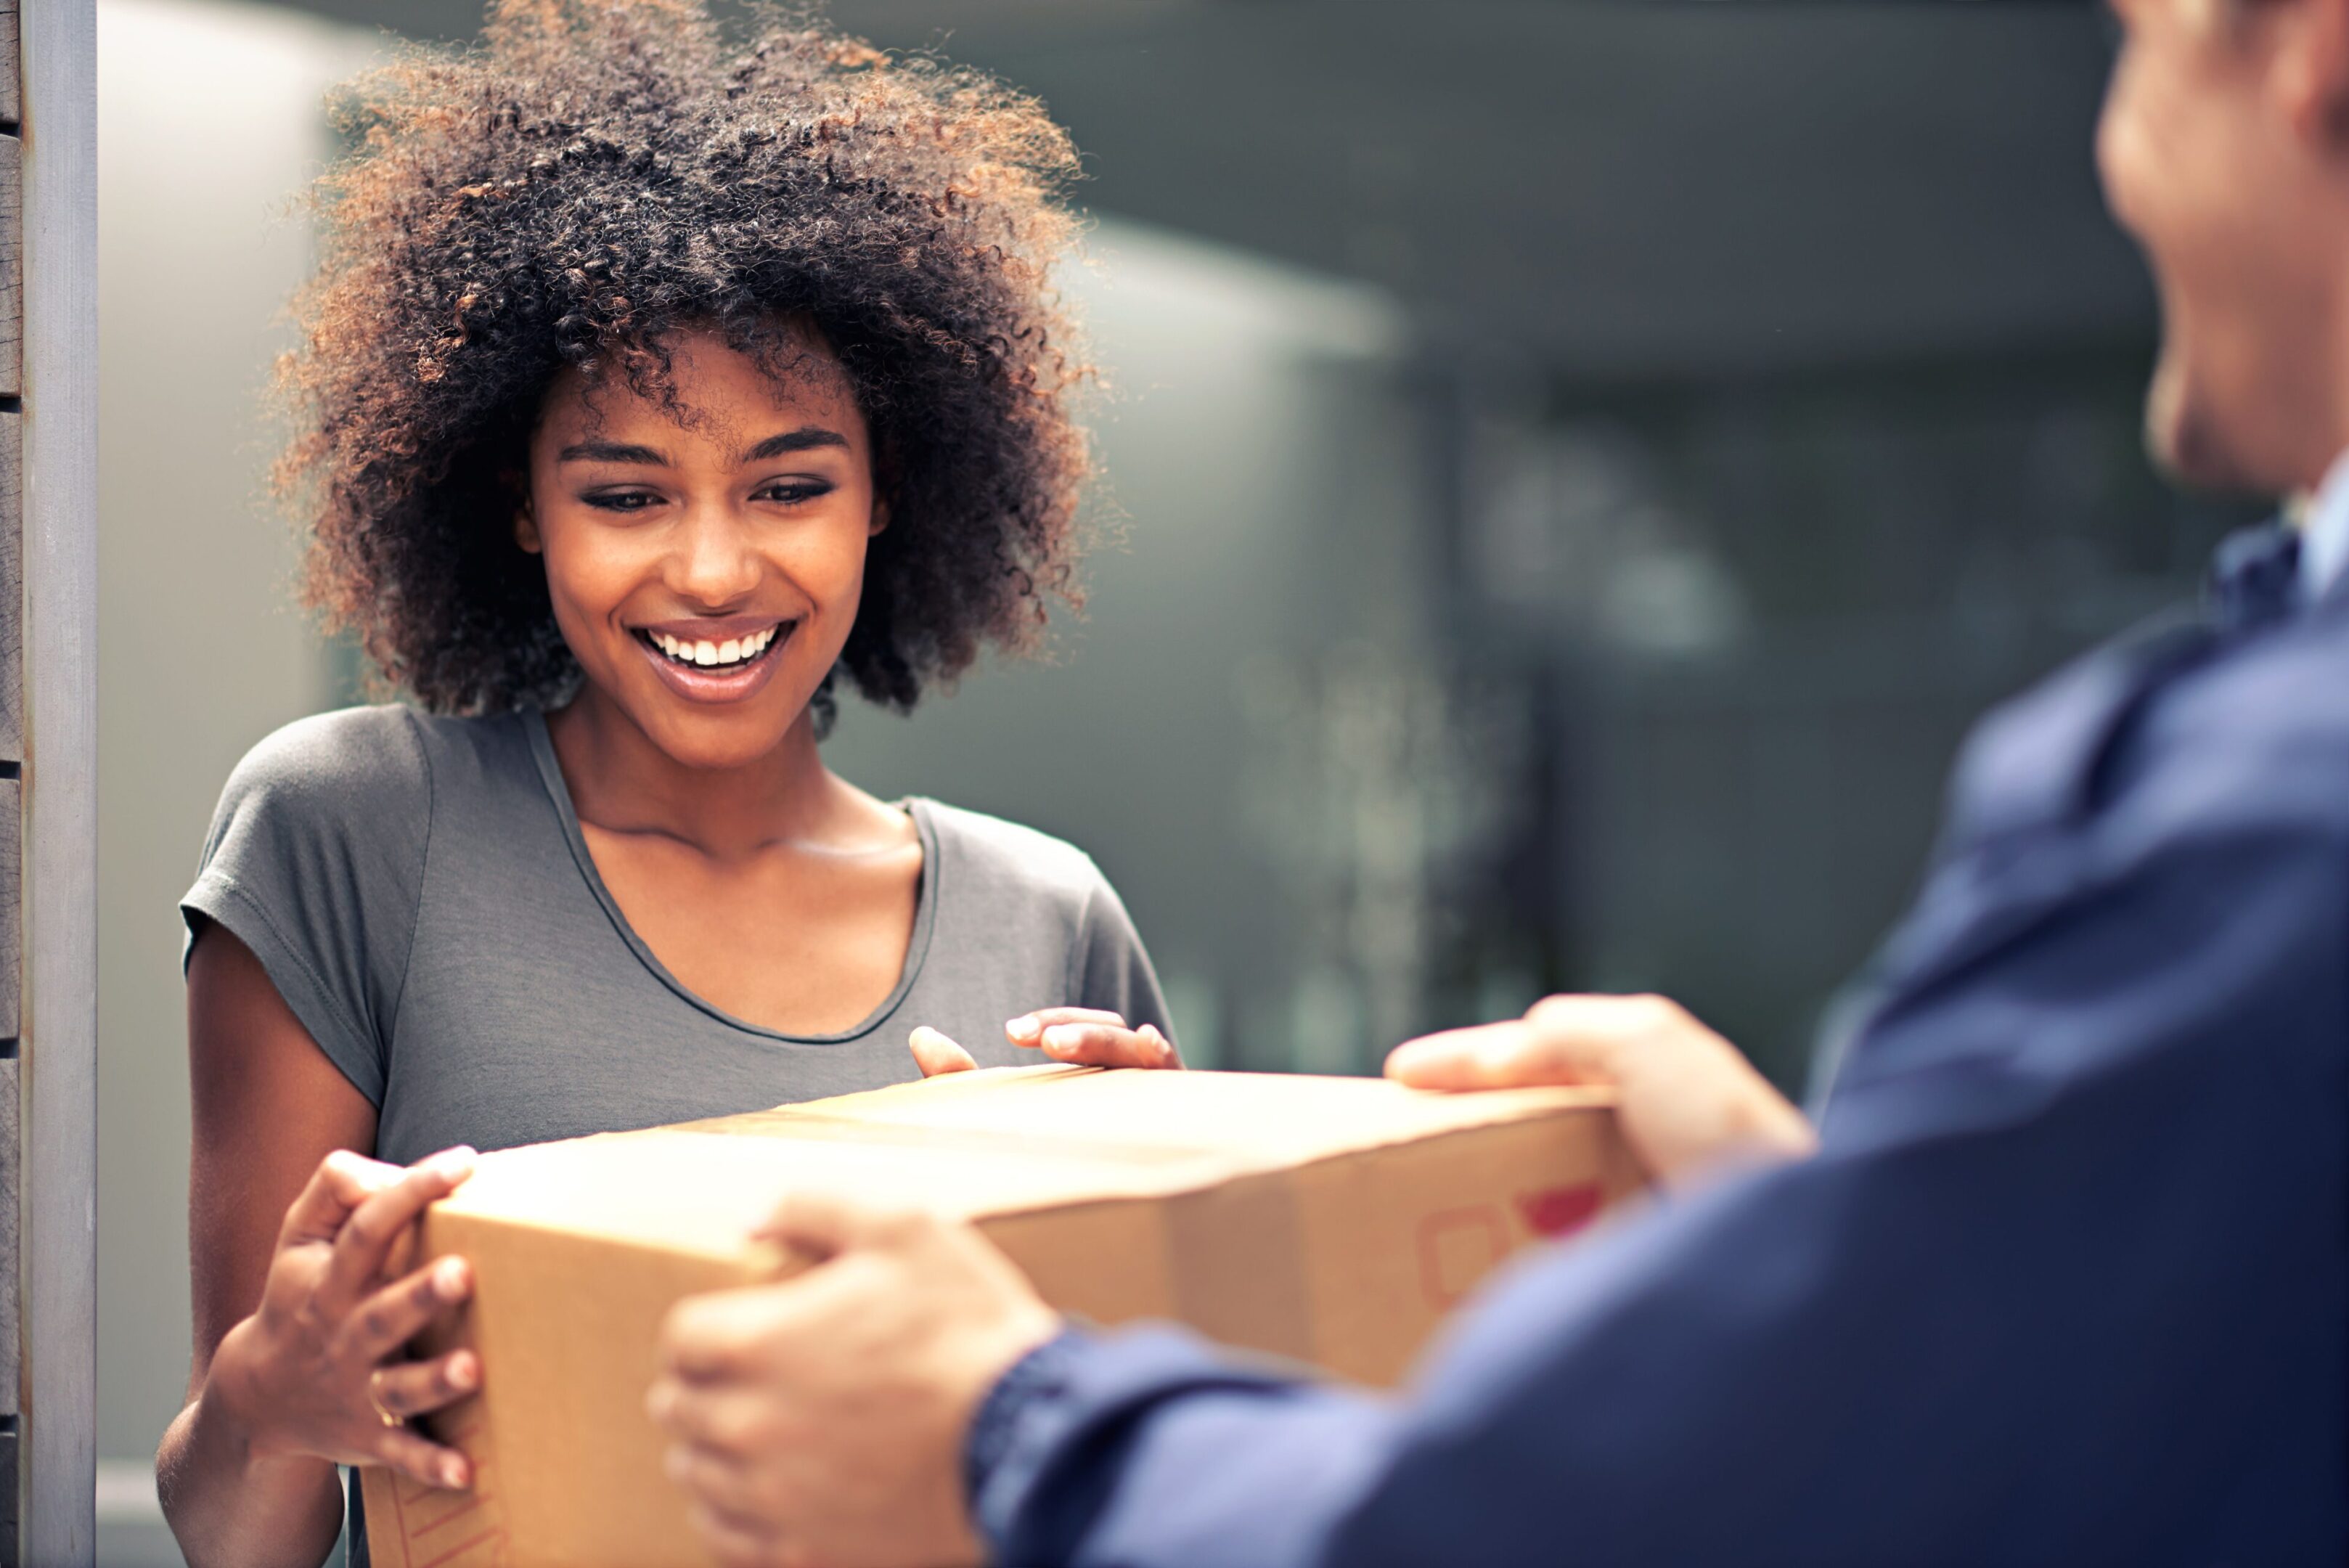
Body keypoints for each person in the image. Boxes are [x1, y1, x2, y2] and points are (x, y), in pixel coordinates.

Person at [643, 0, 2349, 1561]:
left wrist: (1012, 1429)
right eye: (629, 492)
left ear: (2308, 53)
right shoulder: (373, 839)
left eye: (2139, 44)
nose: (2119, 168)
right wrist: (1824, 1218)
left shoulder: (2276, 808)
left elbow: (1565, 1525)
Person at [152, 8, 1180, 1567]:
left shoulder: (1046, 918)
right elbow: (236, 1538)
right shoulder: (352, 833)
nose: (711, 570)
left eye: (790, 485)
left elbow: (1119, 1495)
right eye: (625, 494)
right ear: (516, 502)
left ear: (886, 493)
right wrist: (272, 1396)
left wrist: (1176, 1220)